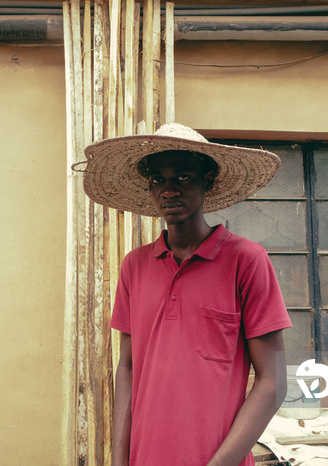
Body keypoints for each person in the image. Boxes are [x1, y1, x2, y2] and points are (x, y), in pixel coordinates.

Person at [81, 123, 292, 466]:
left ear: (207, 179)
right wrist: (119, 458)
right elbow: (129, 368)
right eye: (157, 180)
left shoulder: (246, 260)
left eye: (182, 177)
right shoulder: (135, 266)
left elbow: (272, 381)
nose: (168, 190)